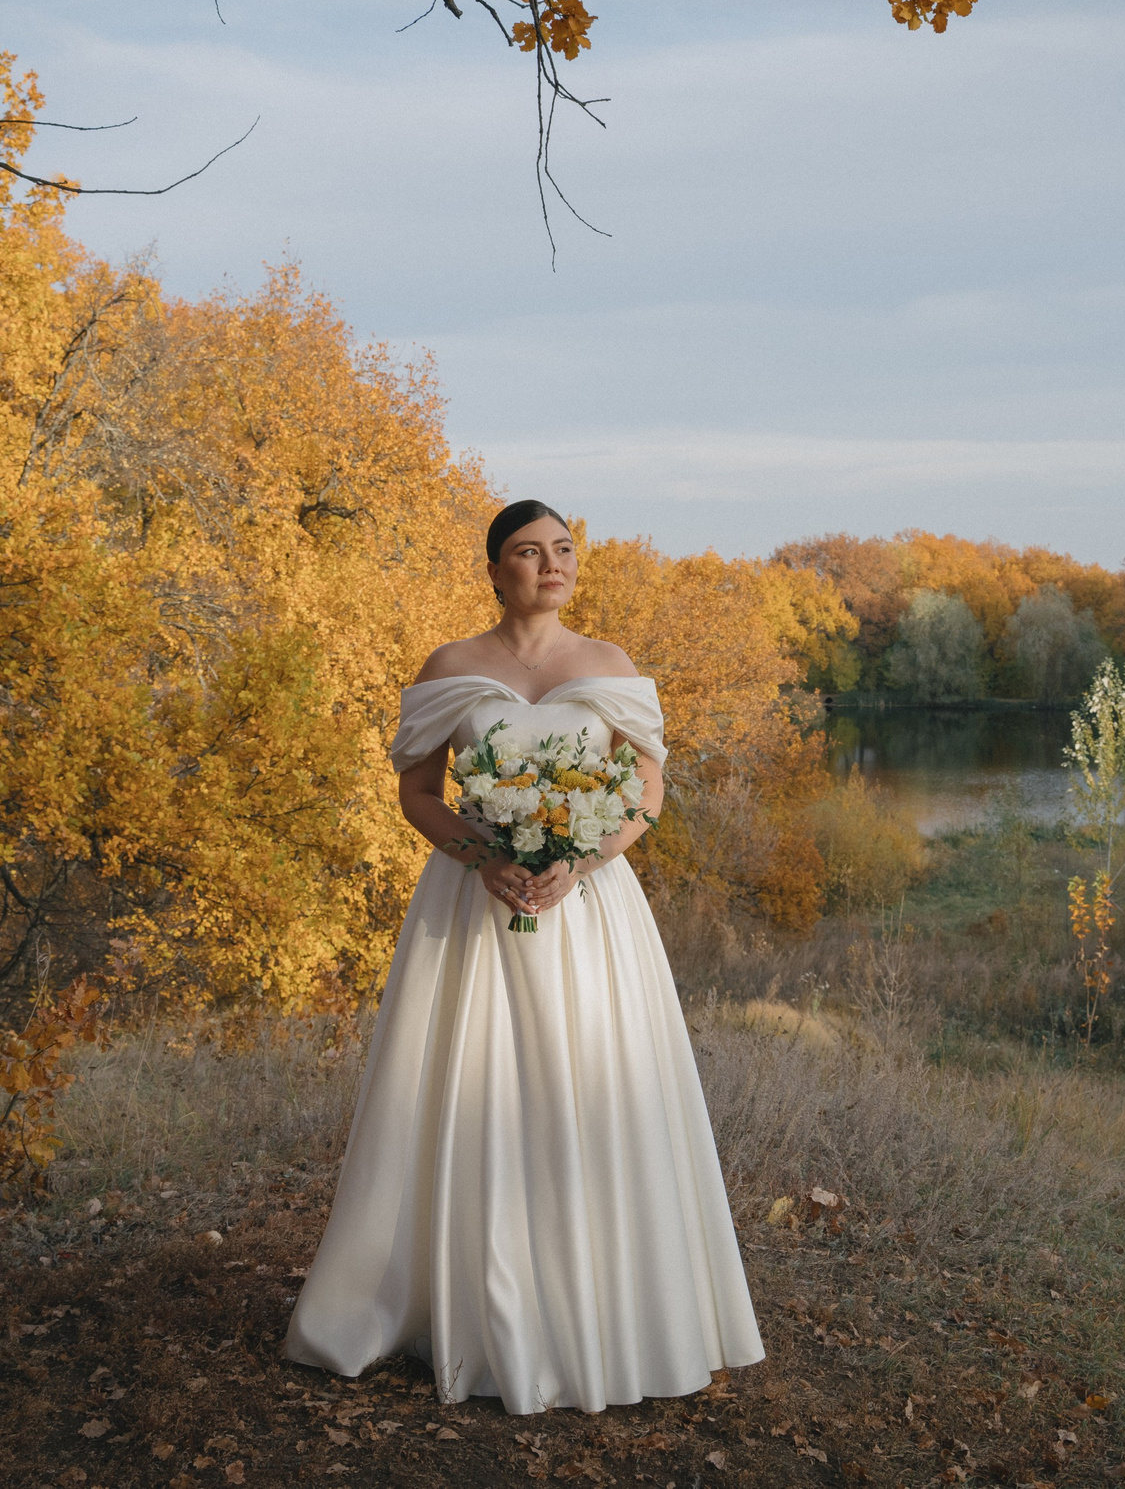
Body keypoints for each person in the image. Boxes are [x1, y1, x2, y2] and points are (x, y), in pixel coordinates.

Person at [279, 499, 766, 1413]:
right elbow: (417, 790)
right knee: (473, 1091)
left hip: (589, 913)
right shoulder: (453, 668)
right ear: (495, 568)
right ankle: (458, 1298)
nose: (552, 564)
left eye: (563, 550)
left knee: (594, 1085)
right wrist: (483, 856)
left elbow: (649, 784)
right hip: (475, 910)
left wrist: (580, 858)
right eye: (529, 552)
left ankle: (611, 1303)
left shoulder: (610, 667)